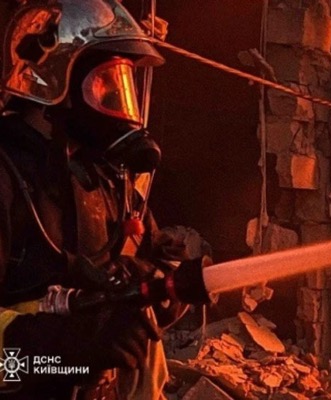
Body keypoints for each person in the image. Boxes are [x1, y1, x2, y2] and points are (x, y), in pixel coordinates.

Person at [0, 0, 210, 398]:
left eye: (125, 82)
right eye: (107, 80)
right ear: (55, 80)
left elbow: (140, 289)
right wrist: (65, 349)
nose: (119, 96)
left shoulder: (107, 177)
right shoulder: (7, 178)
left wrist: (162, 288)